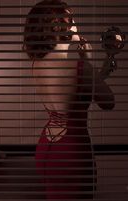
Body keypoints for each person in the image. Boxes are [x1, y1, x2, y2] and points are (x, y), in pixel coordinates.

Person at [23, 0, 115, 199]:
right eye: (71, 19)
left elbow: (76, 93)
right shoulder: (79, 67)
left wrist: (98, 73)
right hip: (71, 150)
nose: (75, 25)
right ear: (57, 25)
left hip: (47, 145)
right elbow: (108, 102)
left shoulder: (37, 64)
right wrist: (87, 62)